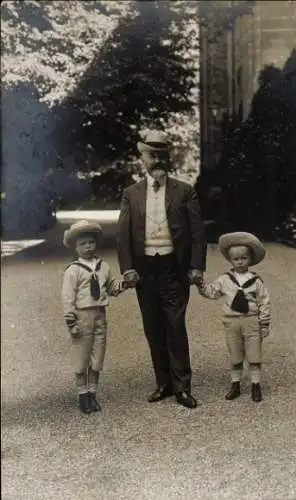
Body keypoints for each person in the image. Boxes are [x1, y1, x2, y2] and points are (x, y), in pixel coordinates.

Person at [117, 130, 206, 409]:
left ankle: (182, 387)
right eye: (150, 155)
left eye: (161, 155)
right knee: (153, 328)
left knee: (175, 326)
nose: (156, 159)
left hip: (173, 270)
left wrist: (195, 267)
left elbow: (197, 233)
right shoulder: (131, 194)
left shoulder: (185, 191)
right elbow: (123, 235)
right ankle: (164, 383)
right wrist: (128, 269)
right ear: (142, 157)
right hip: (145, 271)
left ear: (168, 158)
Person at [197, 232, 271, 402]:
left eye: (244, 258)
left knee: (254, 355)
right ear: (230, 260)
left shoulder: (256, 281)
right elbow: (212, 292)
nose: (240, 262)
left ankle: (255, 385)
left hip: (251, 321)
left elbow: (264, 301)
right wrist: (199, 284)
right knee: (236, 354)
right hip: (232, 322)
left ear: (250, 259)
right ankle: (235, 385)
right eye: (236, 259)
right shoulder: (225, 279)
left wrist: (264, 323)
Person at [62, 220, 124, 414]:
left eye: (91, 242)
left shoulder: (103, 266)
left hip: (100, 315)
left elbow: (111, 287)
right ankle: (82, 396)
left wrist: (124, 285)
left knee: (98, 356)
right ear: (75, 247)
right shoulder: (73, 270)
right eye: (83, 244)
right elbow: (67, 298)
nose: (88, 247)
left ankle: (92, 394)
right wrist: (71, 323)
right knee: (81, 357)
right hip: (82, 316)